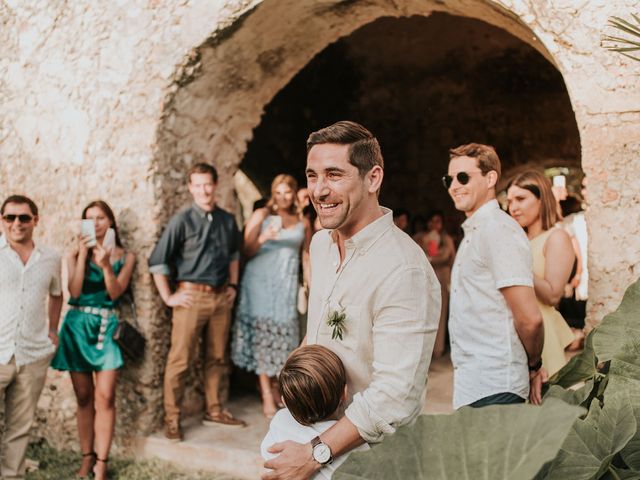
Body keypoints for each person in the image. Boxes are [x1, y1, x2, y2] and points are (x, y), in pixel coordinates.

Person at [262, 121, 440, 480]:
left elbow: (394, 397)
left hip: (370, 459)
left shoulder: (403, 269)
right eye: (312, 176)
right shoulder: (320, 244)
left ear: (373, 179)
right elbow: (316, 335)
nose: (319, 190)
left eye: (334, 174)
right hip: (314, 432)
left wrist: (315, 454)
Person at [149, 162, 245, 442]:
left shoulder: (227, 220)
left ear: (216, 186)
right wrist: (168, 296)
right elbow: (157, 260)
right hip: (190, 298)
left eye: (208, 184)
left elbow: (234, 256)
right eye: (198, 185)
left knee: (216, 357)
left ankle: (214, 410)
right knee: (180, 359)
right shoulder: (181, 221)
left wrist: (234, 286)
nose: (203, 190)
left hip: (220, 297)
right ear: (191, 187)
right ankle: (172, 419)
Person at [444, 143, 545, 409]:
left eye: (463, 177)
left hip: (496, 385)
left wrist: (534, 365)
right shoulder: (477, 231)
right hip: (475, 384)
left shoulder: (498, 230)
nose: (454, 185)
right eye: (449, 179)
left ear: (490, 178)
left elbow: (530, 319)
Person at [51, 200, 136, 479]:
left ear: (110, 222)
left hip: (106, 326)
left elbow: (115, 294)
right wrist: (83, 254)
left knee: (106, 396)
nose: (96, 223)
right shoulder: (74, 254)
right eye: (90, 219)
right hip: (76, 326)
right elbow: (74, 292)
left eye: (101, 218)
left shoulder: (126, 255)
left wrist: (106, 266)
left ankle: (102, 462)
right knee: (83, 396)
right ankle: (86, 456)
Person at [231, 174, 311, 418]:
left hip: (285, 284)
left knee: (286, 337)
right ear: (273, 193)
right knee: (261, 337)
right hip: (259, 282)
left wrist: (310, 282)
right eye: (278, 192)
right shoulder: (262, 215)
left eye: (288, 192)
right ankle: (266, 393)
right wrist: (264, 236)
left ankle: (278, 387)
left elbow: (306, 255)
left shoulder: (302, 221)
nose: (283, 197)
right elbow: (246, 250)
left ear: (294, 193)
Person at [0, 195, 63, 479]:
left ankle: (11, 475)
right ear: (1, 220)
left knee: (20, 426)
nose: (17, 223)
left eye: (24, 217)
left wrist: (52, 330)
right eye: (10, 217)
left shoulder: (51, 258)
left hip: (32, 355)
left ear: (35, 220)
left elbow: (57, 294)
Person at [261, 345, 369, 479]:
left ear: (285, 402)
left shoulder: (280, 421)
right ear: (345, 393)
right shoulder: (353, 441)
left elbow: (267, 456)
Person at [507, 171, 575, 376]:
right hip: (516, 338)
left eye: (521, 199)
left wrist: (518, 266)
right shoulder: (520, 242)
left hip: (543, 335)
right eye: (509, 201)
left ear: (541, 199)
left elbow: (553, 295)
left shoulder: (556, 237)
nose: (513, 207)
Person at [414, 210, 456, 358]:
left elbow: (448, 257)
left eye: (438, 221)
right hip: (422, 279)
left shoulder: (446, 239)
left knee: (441, 312)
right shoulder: (420, 237)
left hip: (442, 279)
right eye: (432, 221)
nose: (434, 224)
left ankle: (437, 349)